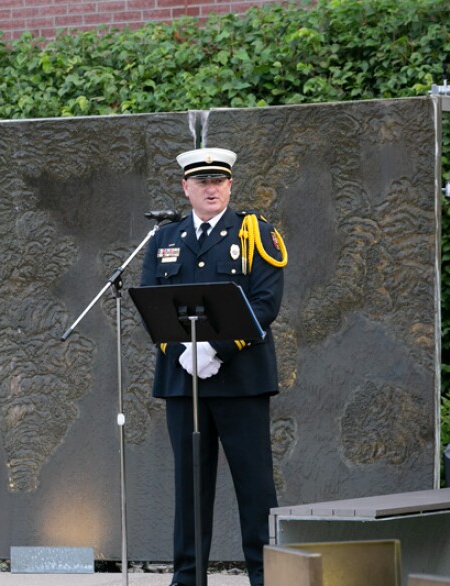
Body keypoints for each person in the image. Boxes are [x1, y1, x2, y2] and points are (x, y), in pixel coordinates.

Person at [139, 147, 287, 586]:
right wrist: (183, 351)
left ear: (230, 185)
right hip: (184, 381)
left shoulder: (255, 232)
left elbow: (265, 302)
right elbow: (151, 305)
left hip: (241, 378)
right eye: (201, 182)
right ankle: (188, 580)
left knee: (255, 488)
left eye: (218, 181)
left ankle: (265, 578)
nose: (211, 188)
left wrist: (216, 348)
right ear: (186, 188)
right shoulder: (165, 239)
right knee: (190, 490)